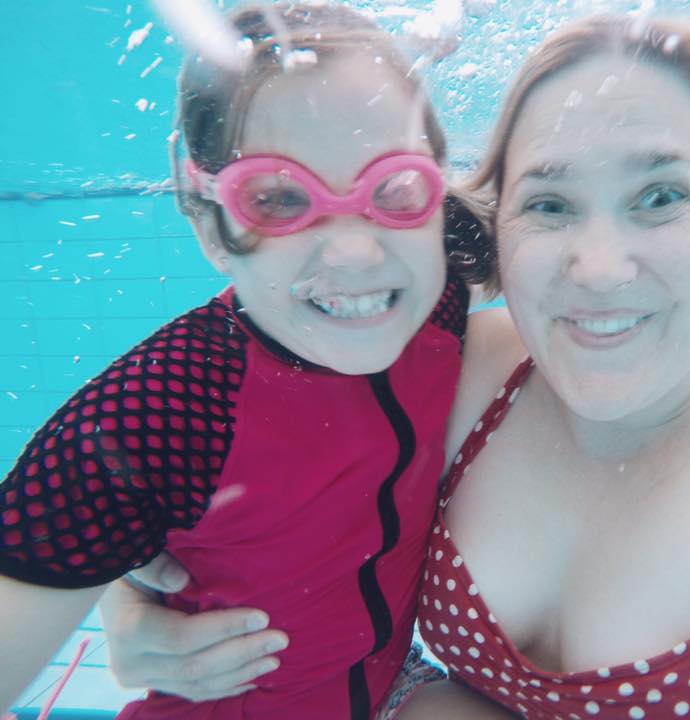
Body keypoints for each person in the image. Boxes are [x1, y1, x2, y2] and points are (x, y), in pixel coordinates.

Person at [102, 10, 690, 720]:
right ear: (499, 227)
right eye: (549, 204)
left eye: (659, 195)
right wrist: (148, 596)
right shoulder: (451, 376)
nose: (600, 270)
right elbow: (239, 483)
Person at [0, 3, 492, 719]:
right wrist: (115, 582)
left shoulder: (441, 289)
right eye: (279, 198)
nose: (357, 252)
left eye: (394, 188)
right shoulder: (169, 407)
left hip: (394, 689)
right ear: (207, 220)